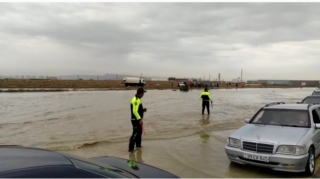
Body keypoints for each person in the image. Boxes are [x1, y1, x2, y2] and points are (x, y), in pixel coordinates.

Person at [128, 87, 147, 153]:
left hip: (138, 120)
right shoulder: (135, 100)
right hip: (135, 120)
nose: (143, 94)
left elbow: (137, 110)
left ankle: (138, 147)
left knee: (139, 133)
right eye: (143, 93)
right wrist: (139, 119)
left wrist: (142, 110)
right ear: (141, 93)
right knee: (135, 134)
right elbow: (134, 111)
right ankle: (130, 150)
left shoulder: (138, 99)